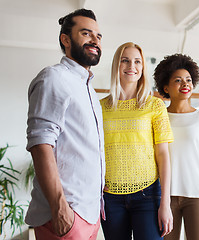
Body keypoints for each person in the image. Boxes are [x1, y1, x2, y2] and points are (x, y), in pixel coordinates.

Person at [25, 9, 105, 240]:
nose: (95, 40)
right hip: (65, 213)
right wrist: (59, 206)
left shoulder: (87, 87)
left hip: (89, 214)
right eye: (86, 33)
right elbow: (41, 144)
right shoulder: (54, 77)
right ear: (66, 39)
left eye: (98, 36)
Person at [100, 42, 173, 240]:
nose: (131, 66)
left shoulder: (155, 105)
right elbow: (93, 152)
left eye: (137, 61)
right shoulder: (100, 108)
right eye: (125, 60)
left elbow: (163, 155)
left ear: (142, 68)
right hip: (110, 197)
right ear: (117, 65)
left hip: (148, 195)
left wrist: (165, 203)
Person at [154, 53, 199, 240]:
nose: (185, 84)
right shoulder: (158, 118)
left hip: (198, 195)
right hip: (164, 196)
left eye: (188, 80)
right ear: (165, 87)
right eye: (178, 80)